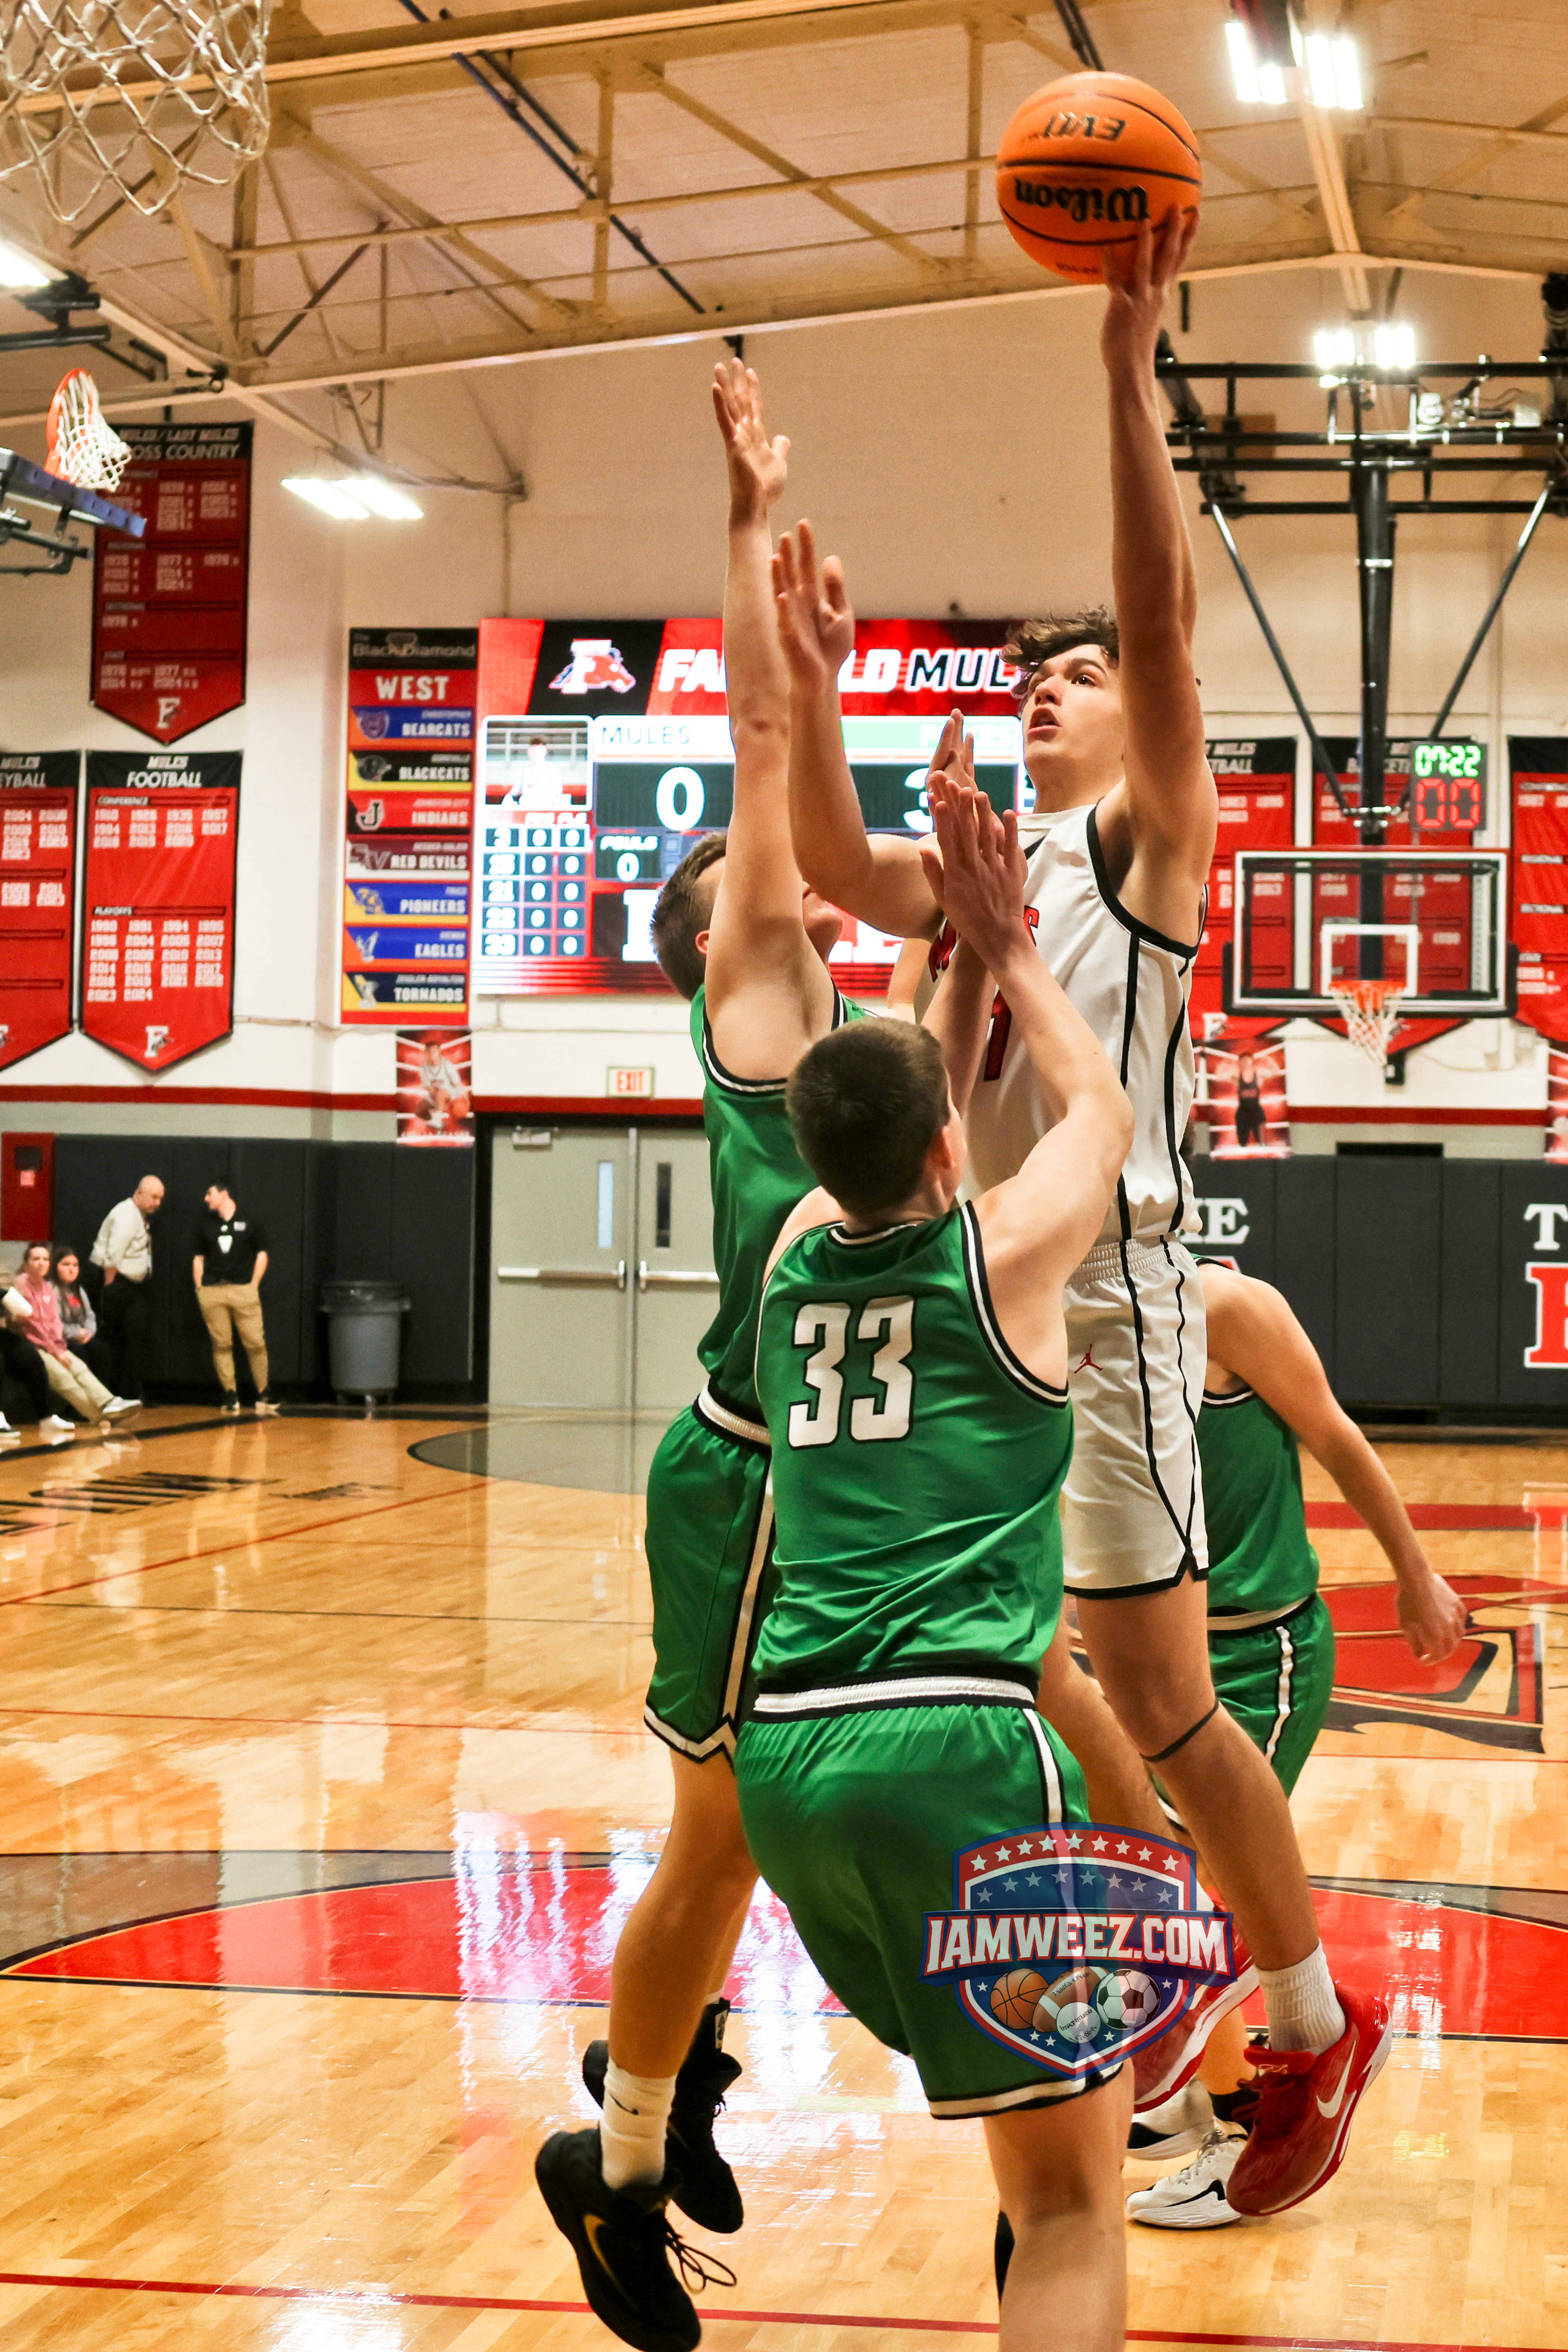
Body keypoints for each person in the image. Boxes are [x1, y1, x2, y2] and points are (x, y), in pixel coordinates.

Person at [775, 210, 1388, 2216]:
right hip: (990, 1299)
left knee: (1166, 1699)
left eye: (1075, 674)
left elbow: (1162, 615)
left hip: (1108, 1301)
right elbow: (825, 857)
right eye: (1030, 675)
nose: (1045, 689)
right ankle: (1153, 1989)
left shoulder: (1145, 839)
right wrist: (808, 684)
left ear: (1138, 720)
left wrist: (1126, 378)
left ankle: (1301, 2021)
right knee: (1032, 1670)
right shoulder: (994, 852)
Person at [535, 358, 857, 2352]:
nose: (794, 866)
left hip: (822, 1472)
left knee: (751, 1830)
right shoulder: (761, 990)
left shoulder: (836, 1032)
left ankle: (681, 2063)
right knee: (720, 1830)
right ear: (724, 927)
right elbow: (749, 733)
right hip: (746, 1482)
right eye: (762, 871)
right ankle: (623, 2152)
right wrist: (743, 527)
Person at [737, 772, 1136, 2352]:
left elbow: (895, 1105)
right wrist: (1008, 940)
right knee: (1070, 2204)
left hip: (789, 1766)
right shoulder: (1004, 1252)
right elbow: (1101, 1116)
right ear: (952, 1143)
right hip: (959, 1751)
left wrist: (951, 971)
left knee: (1028, 2159)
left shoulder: (787, 1259)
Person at [1125, 1265, 1466, 2228]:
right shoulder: (1057, 1307)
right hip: (1147, 1653)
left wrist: (1414, 1575)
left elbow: (1337, 1437)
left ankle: (1274, 2090)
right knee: (1170, 1878)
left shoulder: (1226, 1308)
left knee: (1185, 1884)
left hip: (1254, 1650)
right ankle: (1218, 2090)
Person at [10, 1243, 136, 1425]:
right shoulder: (21, 1285)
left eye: (45, 1259)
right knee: (64, 1379)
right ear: (26, 1264)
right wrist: (56, 1352)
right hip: (34, 1346)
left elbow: (54, 1322)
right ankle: (99, 1417)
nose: (41, 1263)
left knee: (80, 1368)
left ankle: (110, 1402)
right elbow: (34, 1325)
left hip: (54, 1345)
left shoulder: (46, 1287)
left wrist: (60, 1347)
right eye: (36, 1259)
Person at [193, 1184, 278, 1414]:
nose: (206, 1199)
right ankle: (230, 1393)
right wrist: (200, 1287)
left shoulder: (250, 1221)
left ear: (224, 1194)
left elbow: (262, 1253)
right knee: (222, 1344)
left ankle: (264, 1391)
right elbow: (198, 1257)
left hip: (243, 1291)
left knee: (255, 1342)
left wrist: (254, 1284)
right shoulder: (205, 1225)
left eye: (210, 1194)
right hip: (213, 1291)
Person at [90, 1173, 161, 1401]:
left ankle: (129, 1392)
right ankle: (116, 1393)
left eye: (160, 1199)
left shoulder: (138, 1215)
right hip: (119, 1285)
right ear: (139, 1193)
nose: (157, 1203)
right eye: (154, 1197)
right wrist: (110, 1289)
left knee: (132, 1340)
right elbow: (113, 1256)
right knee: (117, 1340)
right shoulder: (126, 1215)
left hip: (132, 1287)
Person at [52, 1248, 114, 1389]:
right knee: (78, 1351)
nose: (71, 1269)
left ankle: (103, 1394)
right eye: (66, 1265)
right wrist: (76, 1334)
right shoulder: (52, 1290)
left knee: (102, 1350)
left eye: (75, 1265)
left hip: (83, 1336)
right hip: (63, 1339)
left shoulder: (78, 1290)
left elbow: (90, 1316)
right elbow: (54, 1322)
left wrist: (89, 1333)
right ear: (56, 1267)